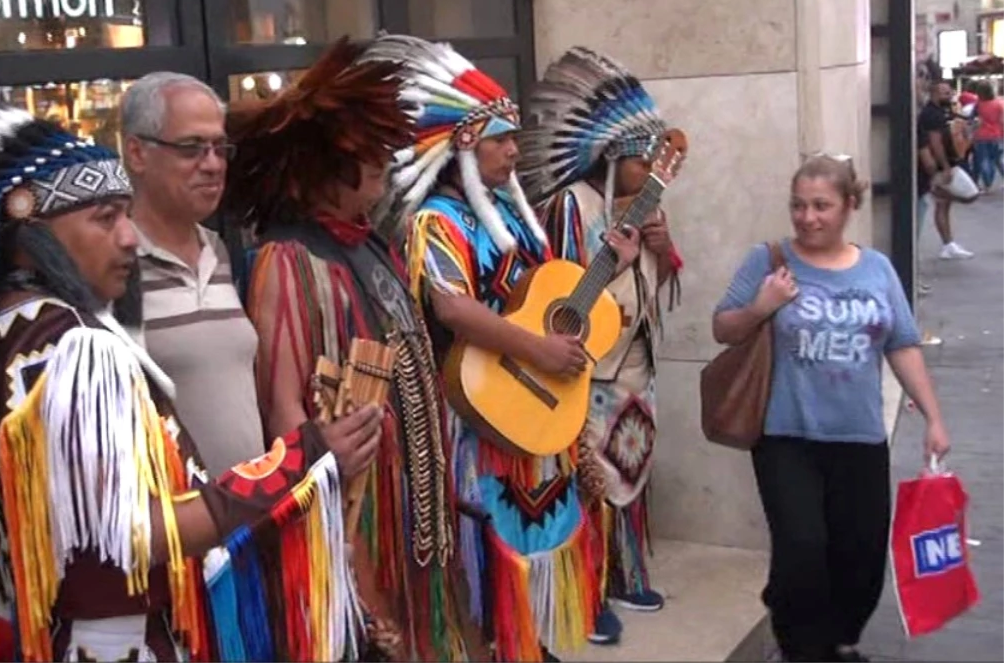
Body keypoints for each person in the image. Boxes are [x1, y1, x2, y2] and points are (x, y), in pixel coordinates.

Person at [0, 92, 385, 661]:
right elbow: (135, 535)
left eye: (126, 214)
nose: (128, 237)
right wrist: (302, 462)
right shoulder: (77, 349)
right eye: (104, 218)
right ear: (29, 232)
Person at [363, 34, 640, 661]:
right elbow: (453, 307)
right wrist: (537, 352)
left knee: (537, 546)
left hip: (532, 414)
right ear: (463, 146)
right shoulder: (439, 221)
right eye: (500, 140)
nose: (514, 153)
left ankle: (529, 643)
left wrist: (608, 266)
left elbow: (547, 297)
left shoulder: (515, 218)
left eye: (514, 139)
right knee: (486, 554)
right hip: (477, 416)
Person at [231, 38, 471, 661]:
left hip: (412, 507)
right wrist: (330, 534)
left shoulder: (372, 244)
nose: (386, 173)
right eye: (374, 161)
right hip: (357, 512)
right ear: (333, 167)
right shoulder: (287, 260)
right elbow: (285, 408)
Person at [712, 155, 951, 663]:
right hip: (785, 436)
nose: (807, 217)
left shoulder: (877, 268)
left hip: (859, 437)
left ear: (848, 206)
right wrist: (763, 306)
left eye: (821, 206)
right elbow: (724, 329)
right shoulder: (768, 260)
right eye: (798, 205)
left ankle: (838, 639)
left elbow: (902, 343)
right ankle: (803, 647)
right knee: (801, 548)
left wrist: (933, 417)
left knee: (860, 557)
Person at [518, 47, 686, 645]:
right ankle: (587, 594)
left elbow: (661, 286)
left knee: (632, 469)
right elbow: (563, 296)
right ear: (613, 158)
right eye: (644, 158)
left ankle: (626, 572)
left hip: (634, 365)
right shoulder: (571, 206)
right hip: (586, 373)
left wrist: (660, 248)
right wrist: (614, 257)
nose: (652, 169)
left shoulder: (640, 207)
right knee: (590, 481)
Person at [120, 72, 265, 474]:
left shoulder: (221, 251)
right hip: (175, 526)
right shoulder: (113, 266)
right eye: (191, 148)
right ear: (137, 153)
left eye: (219, 148)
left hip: (248, 522)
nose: (213, 165)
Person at [919, 80, 975, 260]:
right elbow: (935, 142)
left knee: (944, 205)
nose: (949, 96)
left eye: (949, 92)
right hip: (942, 164)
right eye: (945, 93)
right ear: (934, 93)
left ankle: (948, 244)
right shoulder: (932, 114)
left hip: (947, 162)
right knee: (968, 195)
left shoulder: (941, 111)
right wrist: (944, 167)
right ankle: (948, 244)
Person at [972, 82, 1004, 190]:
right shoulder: (999, 104)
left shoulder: (978, 104)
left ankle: (988, 182)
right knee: (997, 159)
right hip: (997, 135)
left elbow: (972, 119)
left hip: (981, 136)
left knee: (984, 160)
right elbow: (1002, 121)